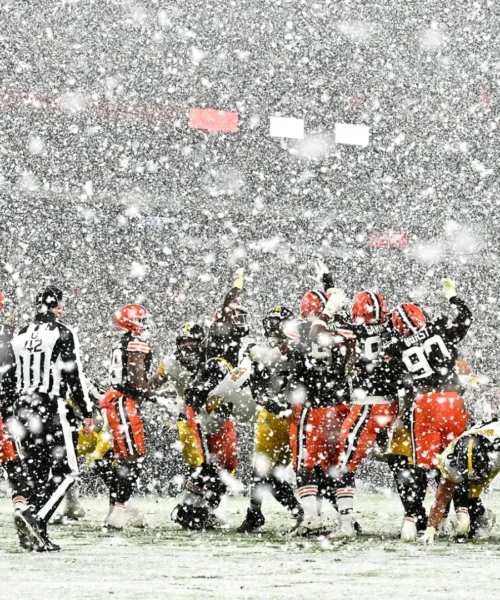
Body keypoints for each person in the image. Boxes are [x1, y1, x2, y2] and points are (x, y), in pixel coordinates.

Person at [386, 279, 472, 539]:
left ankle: (412, 520)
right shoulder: (438, 328)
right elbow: (465, 319)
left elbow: (395, 379)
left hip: (424, 403)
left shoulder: (396, 346)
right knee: (456, 460)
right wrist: (453, 296)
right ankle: (463, 513)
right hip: (452, 400)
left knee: (420, 465)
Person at [10, 286, 94, 551]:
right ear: (53, 306)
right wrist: (86, 410)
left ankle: (35, 534)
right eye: (60, 305)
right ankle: (36, 518)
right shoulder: (63, 332)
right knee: (67, 472)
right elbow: (73, 373)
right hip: (49, 405)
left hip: (22, 406)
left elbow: (9, 373)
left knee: (35, 470)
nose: (63, 310)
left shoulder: (20, 334)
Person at [170, 270, 246, 530]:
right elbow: (226, 308)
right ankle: (187, 509)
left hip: (220, 413)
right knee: (207, 466)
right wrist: (237, 286)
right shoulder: (217, 338)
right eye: (236, 317)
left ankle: (204, 509)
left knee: (227, 467)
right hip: (202, 411)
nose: (239, 321)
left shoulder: (234, 345)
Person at [325, 291, 399, 539]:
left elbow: (319, 336)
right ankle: (424, 517)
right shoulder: (393, 328)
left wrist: (329, 310)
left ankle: (346, 524)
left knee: (343, 465)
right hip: (396, 404)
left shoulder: (351, 331)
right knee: (406, 464)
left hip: (368, 405)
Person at [286, 288, 352, 535]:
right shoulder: (343, 330)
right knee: (339, 465)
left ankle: (312, 518)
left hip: (312, 406)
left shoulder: (301, 329)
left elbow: (301, 340)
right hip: (340, 406)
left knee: (306, 465)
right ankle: (347, 522)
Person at [237, 306, 303, 533]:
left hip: (297, 416)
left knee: (308, 470)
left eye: (278, 323)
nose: (272, 328)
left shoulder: (300, 348)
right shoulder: (260, 352)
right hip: (272, 417)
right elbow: (254, 386)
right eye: (271, 323)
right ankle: (258, 513)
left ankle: (318, 514)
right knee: (262, 472)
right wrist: (268, 401)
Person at [99, 303, 154, 529]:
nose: (146, 324)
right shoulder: (136, 342)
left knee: (122, 458)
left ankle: (117, 506)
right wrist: (156, 393)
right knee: (132, 458)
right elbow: (136, 380)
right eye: (143, 319)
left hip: (114, 400)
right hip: (124, 402)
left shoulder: (121, 342)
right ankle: (119, 509)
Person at [422, 419, 500, 544]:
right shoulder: (449, 459)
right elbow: (442, 498)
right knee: (467, 497)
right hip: (472, 460)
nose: (473, 480)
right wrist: (430, 529)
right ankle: (482, 516)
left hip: (491, 453)